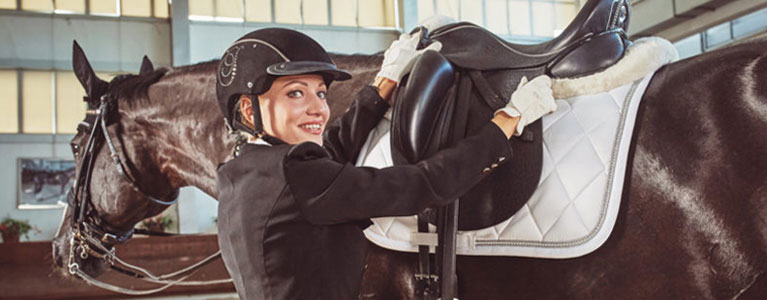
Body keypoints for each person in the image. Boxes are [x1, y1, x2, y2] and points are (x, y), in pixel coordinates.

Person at [213, 27, 556, 300]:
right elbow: (422, 184)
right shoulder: (301, 178)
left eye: (320, 93)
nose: (318, 109)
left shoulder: (239, 172)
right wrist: (506, 123)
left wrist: (383, 85)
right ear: (247, 109)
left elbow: (333, 150)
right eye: (295, 93)